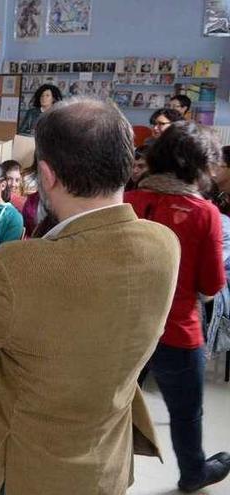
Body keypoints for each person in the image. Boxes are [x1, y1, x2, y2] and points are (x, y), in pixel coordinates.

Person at [0, 98, 181, 494]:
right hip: (102, 460)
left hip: (19, 466)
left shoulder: (22, 266)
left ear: (47, 175)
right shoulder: (164, 246)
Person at [126, 122, 230, 493]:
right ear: (200, 165)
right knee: (186, 413)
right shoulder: (204, 213)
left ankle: (108, 472)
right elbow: (212, 284)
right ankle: (192, 474)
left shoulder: (130, 201)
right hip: (177, 332)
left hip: (126, 329)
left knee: (116, 406)